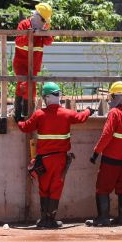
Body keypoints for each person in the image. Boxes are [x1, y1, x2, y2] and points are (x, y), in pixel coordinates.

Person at [18, 82, 94, 229]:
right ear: (58, 95)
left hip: (44, 160)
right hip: (59, 159)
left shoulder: (39, 114)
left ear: (46, 98)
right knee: (56, 188)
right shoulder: (66, 113)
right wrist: (88, 111)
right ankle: (51, 219)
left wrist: (18, 120)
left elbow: (26, 127)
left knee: (44, 188)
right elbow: (81, 118)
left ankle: (43, 219)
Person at [88, 81, 122, 227]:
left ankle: (103, 218)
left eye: (112, 96)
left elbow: (106, 135)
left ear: (117, 96)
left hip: (110, 157)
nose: (111, 100)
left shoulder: (114, 113)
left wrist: (96, 152)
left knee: (102, 187)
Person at [13, 2, 54, 122]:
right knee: (23, 85)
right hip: (21, 63)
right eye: (43, 19)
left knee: (32, 88)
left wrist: (43, 31)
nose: (44, 22)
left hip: (34, 64)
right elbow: (19, 42)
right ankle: (18, 113)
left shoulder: (43, 28)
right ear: (36, 15)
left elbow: (49, 42)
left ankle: (27, 114)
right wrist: (29, 33)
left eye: (45, 20)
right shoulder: (24, 24)